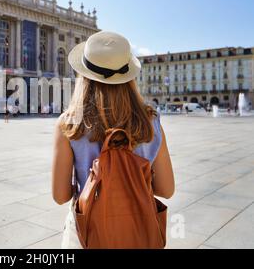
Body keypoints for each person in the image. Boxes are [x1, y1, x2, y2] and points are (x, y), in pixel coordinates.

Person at [51, 32, 175, 249]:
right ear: (129, 77)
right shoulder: (151, 123)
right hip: (139, 230)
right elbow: (166, 189)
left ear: (84, 76)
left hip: (87, 233)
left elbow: (60, 196)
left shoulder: (70, 125)